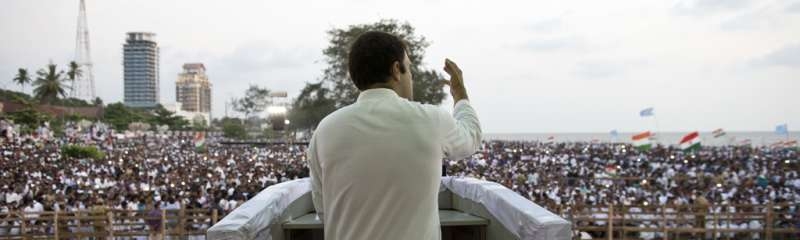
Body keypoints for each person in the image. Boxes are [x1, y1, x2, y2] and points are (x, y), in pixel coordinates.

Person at [306, 31, 482, 240]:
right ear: (397, 70)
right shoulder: (431, 120)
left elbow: (324, 209)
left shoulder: (325, 130)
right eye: (410, 70)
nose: (412, 79)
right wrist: (460, 94)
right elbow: (472, 137)